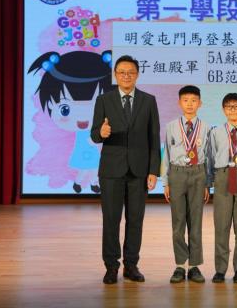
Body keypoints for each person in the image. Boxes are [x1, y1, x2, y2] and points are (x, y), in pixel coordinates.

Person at [90, 55, 161, 284]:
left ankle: (131, 265)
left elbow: (154, 137)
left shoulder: (148, 101)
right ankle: (111, 266)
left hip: (139, 171)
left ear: (137, 74)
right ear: (115, 75)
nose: (126, 76)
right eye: (122, 72)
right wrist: (101, 133)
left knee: (135, 220)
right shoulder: (104, 100)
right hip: (111, 170)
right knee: (111, 220)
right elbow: (94, 133)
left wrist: (153, 171)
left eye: (130, 72)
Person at [28, 50, 115, 194]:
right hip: (84, 151)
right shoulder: (85, 133)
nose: (82, 119)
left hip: (93, 152)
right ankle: (80, 183)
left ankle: (92, 184)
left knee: (94, 168)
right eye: (65, 109)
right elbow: (90, 140)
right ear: (50, 105)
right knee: (85, 168)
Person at [161, 85, 211, 284]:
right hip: (177, 174)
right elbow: (166, 155)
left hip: (198, 173)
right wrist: (166, 182)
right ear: (179, 103)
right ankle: (180, 265)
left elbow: (208, 156)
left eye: (193, 100)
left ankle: (195, 266)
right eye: (185, 100)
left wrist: (207, 183)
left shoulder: (206, 127)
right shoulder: (171, 126)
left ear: (200, 103)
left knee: (196, 222)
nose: (190, 104)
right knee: (178, 222)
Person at [208, 93, 237, 284]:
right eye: (229, 106)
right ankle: (220, 269)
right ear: (223, 110)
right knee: (222, 226)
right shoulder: (216, 132)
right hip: (223, 175)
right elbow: (211, 156)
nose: (233, 110)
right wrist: (211, 181)